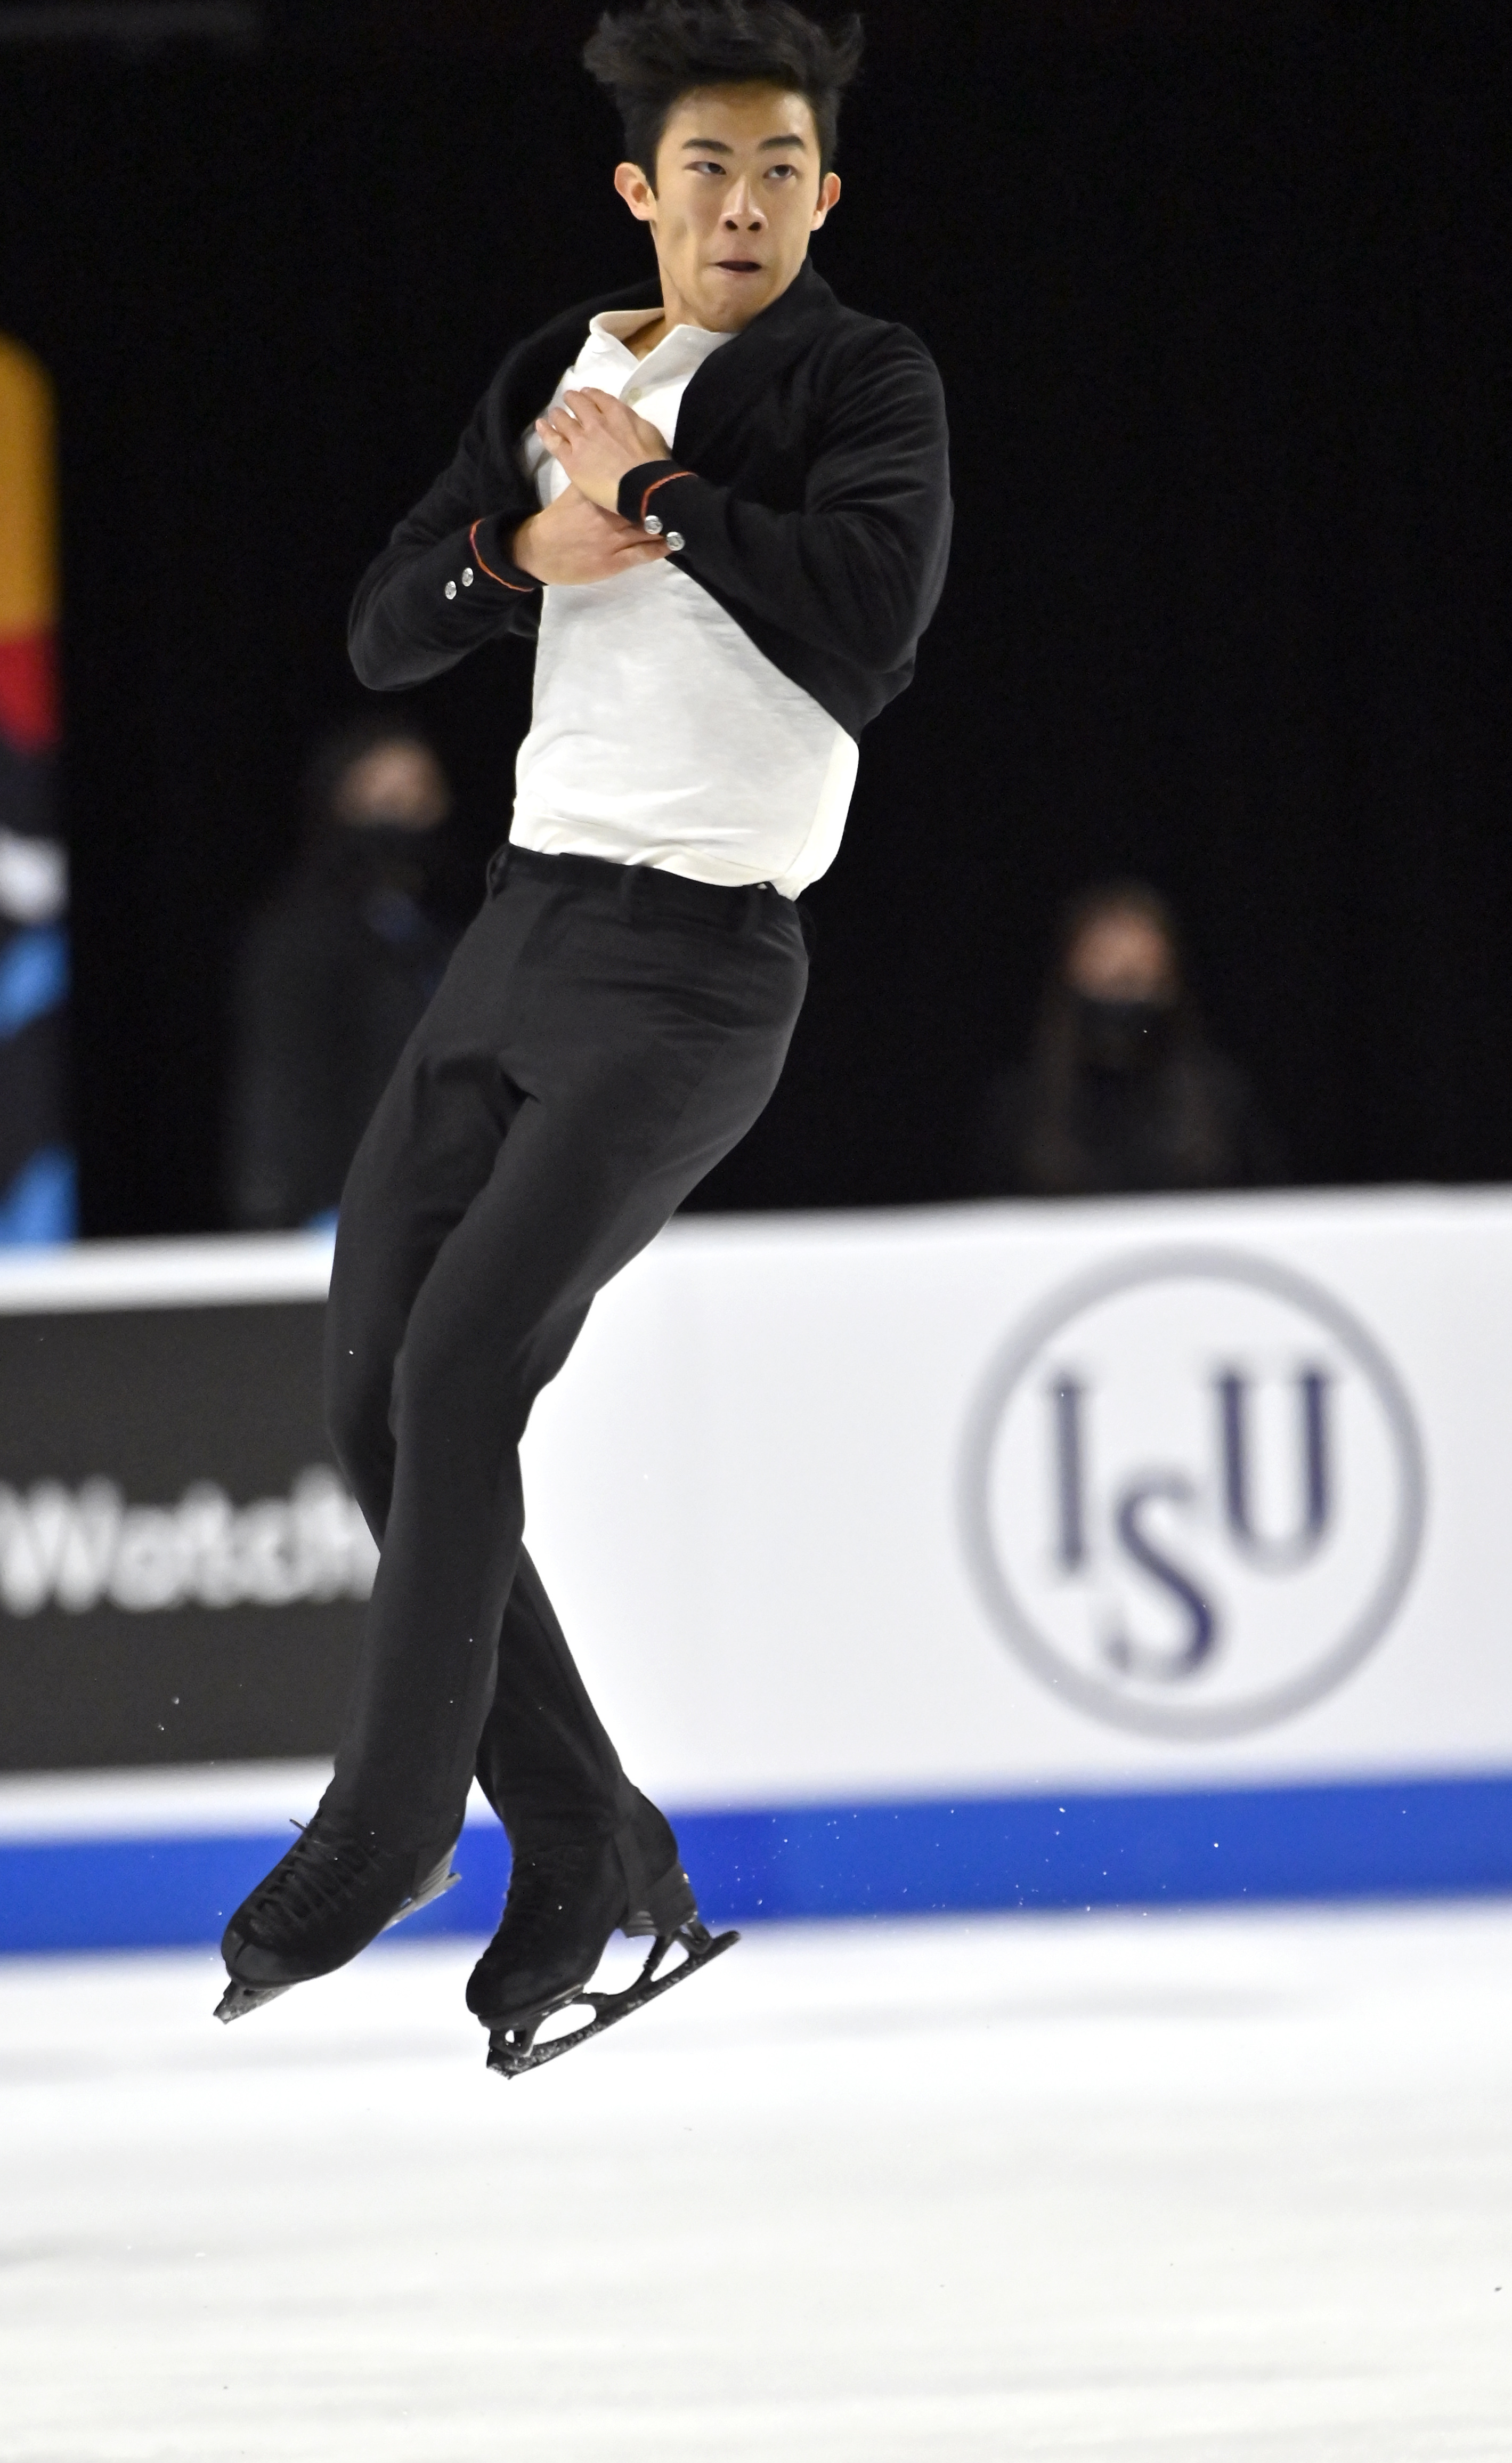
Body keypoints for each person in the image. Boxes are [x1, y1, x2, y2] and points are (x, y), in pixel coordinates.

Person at [216, 0, 952, 2072]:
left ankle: (376, 1834)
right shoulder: (560, 364)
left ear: (825, 191)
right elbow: (377, 624)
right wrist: (506, 550)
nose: (741, 202)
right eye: (704, 168)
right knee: (374, 1399)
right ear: (640, 188)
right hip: (515, 936)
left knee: (462, 1372)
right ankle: (588, 1839)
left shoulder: (854, 379)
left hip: (698, 971)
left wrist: (668, 495)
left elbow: (866, 629)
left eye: (779, 170)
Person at [226, 722, 462, 1230]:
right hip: (340, 1209)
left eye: (421, 796)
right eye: (384, 798)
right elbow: (286, 1081)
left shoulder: (451, 933)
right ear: (339, 804)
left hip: (451, 1201)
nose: (405, 818)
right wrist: (289, 1205)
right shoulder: (301, 934)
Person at [978, 878, 1282, 1197]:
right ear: (1068, 974)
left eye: (1137, 978)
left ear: (1170, 983)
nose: (1122, 995)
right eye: (1107, 972)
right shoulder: (1019, 1111)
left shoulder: (1222, 1104)